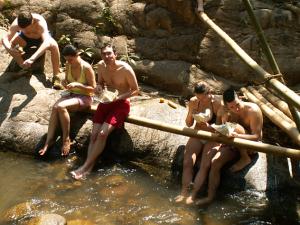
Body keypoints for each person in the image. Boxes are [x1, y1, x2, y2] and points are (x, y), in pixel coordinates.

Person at [70, 44, 139, 180]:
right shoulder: (101, 66)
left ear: (115, 55)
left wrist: (118, 97)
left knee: (102, 134)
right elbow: (100, 83)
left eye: (109, 54)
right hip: (106, 101)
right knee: (94, 134)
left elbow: (136, 90)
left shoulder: (125, 69)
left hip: (121, 104)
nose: (107, 57)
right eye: (104, 54)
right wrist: (99, 88)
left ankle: (84, 167)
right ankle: (88, 169)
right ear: (101, 55)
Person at [194, 88, 263, 206]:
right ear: (226, 106)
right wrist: (220, 116)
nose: (236, 109)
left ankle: (245, 158)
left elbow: (256, 137)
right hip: (233, 143)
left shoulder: (253, 110)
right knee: (215, 162)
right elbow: (219, 130)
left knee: (235, 127)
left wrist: (237, 136)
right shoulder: (226, 111)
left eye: (237, 105)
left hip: (251, 146)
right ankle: (210, 197)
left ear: (240, 98)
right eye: (231, 107)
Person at [38, 44, 96, 156]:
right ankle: (49, 140)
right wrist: (65, 83)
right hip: (71, 94)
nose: (68, 62)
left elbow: (93, 89)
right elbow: (66, 81)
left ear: (77, 55)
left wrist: (79, 85)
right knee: (55, 107)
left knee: (61, 106)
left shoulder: (86, 67)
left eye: (70, 59)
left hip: (85, 97)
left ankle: (66, 139)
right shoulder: (68, 65)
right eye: (66, 59)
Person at [175, 82, 223, 203]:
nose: (200, 99)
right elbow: (189, 124)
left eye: (203, 97)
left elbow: (221, 127)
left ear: (209, 93)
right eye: (198, 97)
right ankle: (184, 192)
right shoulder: (193, 101)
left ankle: (193, 195)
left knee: (205, 165)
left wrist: (209, 125)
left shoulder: (217, 103)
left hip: (212, 136)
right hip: (198, 133)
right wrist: (192, 113)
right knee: (187, 162)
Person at [1, 11, 62, 89]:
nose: (26, 31)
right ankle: (24, 67)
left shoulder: (39, 22)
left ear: (32, 21)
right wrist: (10, 48)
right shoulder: (16, 23)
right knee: (12, 44)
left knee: (54, 45)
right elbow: (5, 38)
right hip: (25, 39)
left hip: (41, 39)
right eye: (22, 29)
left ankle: (56, 76)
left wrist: (32, 58)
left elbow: (47, 42)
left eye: (27, 28)